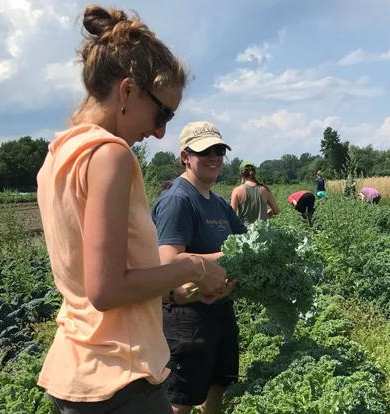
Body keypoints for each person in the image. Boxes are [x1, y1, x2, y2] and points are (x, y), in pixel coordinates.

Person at [36, 6, 227, 414]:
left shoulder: (58, 155)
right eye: (163, 113)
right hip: (120, 381)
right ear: (127, 91)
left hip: (78, 369)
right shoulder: (111, 155)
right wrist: (193, 267)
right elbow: (106, 291)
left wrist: (177, 289)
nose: (160, 131)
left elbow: (103, 279)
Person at [151, 121, 247, 414]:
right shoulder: (178, 200)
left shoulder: (218, 204)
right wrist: (227, 258)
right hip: (186, 315)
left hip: (219, 308)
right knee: (182, 399)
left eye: (218, 150)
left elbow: (248, 245)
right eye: (204, 151)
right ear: (185, 157)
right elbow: (168, 262)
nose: (214, 157)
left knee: (218, 384)